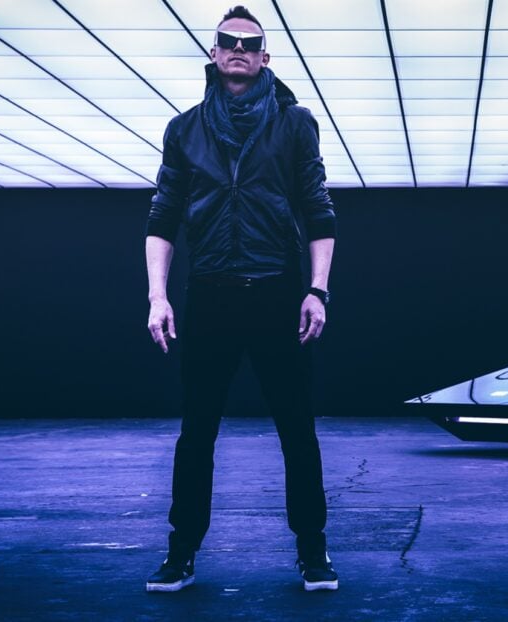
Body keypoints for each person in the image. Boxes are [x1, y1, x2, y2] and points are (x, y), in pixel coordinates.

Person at [142, 4, 338, 593]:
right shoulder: (184, 129)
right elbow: (163, 216)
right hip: (210, 295)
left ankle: (313, 551)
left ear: (264, 57)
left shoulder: (295, 123)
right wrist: (157, 297)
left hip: (277, 293)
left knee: (297, 430)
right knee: (196, 432)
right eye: (227, 41)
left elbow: (318, 210)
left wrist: (317, 289)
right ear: (213, 52)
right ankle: (181, 552)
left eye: (249, 44)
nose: (238, 49)